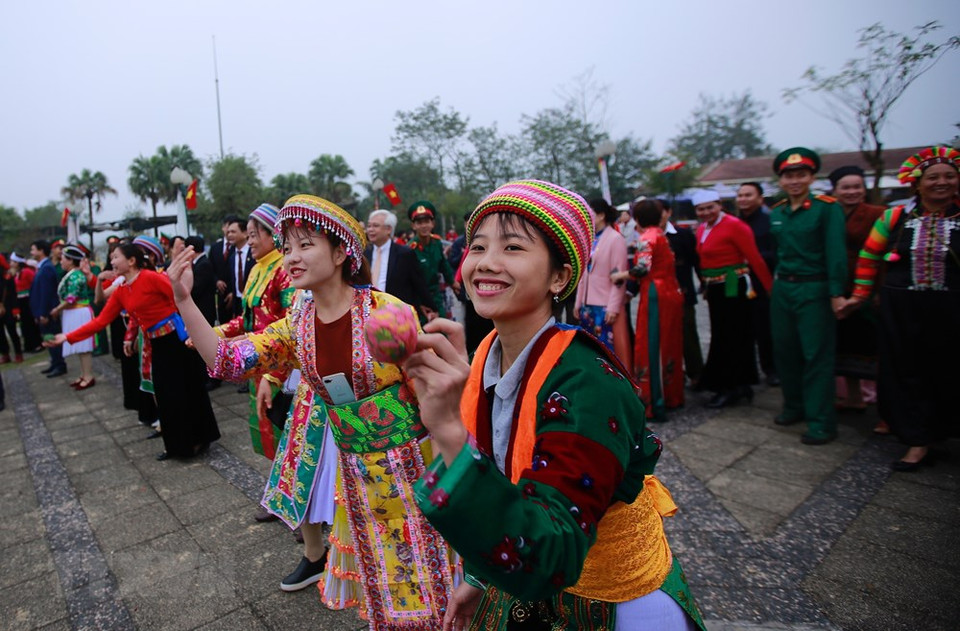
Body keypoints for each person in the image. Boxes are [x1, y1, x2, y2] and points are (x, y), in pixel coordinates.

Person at [405, 179, 704, 631]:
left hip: (616, 596)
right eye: (478, 246)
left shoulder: (587, 382)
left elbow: (552, 555)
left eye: (512, 248)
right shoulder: (487, 350)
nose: (486, 263)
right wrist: (481, 577)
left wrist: (447, 429)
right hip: (528, 581)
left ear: (560, 277)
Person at [167, 195, 456, 624]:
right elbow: (226, 361)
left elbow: (435, 388)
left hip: (415, 467)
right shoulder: (296, 325)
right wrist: (184, 300)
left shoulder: (386, 310)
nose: (291, 257)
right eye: (286, 248)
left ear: (341, 252)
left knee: (429, 579)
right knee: (381, 586)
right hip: (356, 475)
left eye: (305, 245)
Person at [840, 146, 960, 471]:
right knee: (905, 369)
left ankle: (938, 432)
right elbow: (868, 257)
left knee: (948, 369)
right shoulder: (895, 217)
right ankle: (916, 440)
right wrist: (859, 296)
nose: (941, 183)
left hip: (951, 309)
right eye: (933, 177)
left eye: (949, 176)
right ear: (917, 184)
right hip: (901, 307)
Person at [49, 243, 220, 460]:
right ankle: (176, 446)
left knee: (184, 392)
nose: (112, 262)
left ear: (131, 261)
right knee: (164, 396)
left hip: (175, 342)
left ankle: (197, 440)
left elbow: (180, 299)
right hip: (156, 345)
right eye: (111, 258)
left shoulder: (151, 278)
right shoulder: (121, 290)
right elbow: (101, 320)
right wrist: (68, 337)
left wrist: (193, 328)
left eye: (116, 257)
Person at [769, 147, 846, 445]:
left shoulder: (827, 208)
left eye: (801, 174)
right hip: (783, 288)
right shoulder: (777, 211)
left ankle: (821, 421)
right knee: (785, 352)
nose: (795, 181)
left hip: (815, 288)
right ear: (781, 180)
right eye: (789, 176)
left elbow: (835, 253)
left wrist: (837, 292)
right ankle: (794, 406)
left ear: (812, 177)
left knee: (816, 356)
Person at [214, 204, 295, 471]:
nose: (249, 242)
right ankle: (276, 490)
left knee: (286, 428)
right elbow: (247, 318)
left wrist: (276, 373)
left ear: (273, 235)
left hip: (280, 365)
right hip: (256, 362)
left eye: (253, 235)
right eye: (247, 235)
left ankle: (291, 496)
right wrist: (216, 333)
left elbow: (291, 322)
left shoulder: (284, 270)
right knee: (264, 429)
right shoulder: (257, 269)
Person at [693, 191, 773, 408]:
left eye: (710, 207)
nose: (706, 212)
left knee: (734, 336)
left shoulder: (735, 225)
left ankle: (733, 387)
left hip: (733, 286)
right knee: (721, 335)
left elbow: (755, 258)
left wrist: (769, 290)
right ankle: (734, 384)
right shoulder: (702, 228)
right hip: (715, 289)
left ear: (720, 205)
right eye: (701, 209)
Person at [612, 199, 685, 420]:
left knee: (651, 346)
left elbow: (642, 269)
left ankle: (653, 402)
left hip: (655, 294)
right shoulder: (660, 234)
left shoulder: (646, 238)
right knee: (669, 343)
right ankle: (672, 395)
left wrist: (619, 275)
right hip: (672, 291)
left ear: (637, 218)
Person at [827, 166, 885, 413]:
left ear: (864, 189)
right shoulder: (829, 213)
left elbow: (885, 254)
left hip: (869, 287)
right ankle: (853, 397)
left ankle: (886, 407)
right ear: (835, 190)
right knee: (845, 346)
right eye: (846, 187)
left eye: (856, 187)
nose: (852, 192)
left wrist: (879, 290)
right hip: (838, 287)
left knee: (876, 347)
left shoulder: (879, 213)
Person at [575, 198, 631, 371]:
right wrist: (578, 302)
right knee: (591, 352)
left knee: (609, 353)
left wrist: (613, 307)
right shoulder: (590, 239)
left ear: (600, 215)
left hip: (605, 306)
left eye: (589, 213)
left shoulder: (615, 239)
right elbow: (584, 273)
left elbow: (619, 276)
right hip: (587, 305)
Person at [737, 182, 778, 386]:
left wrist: (754, 258)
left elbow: (776, 252)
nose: (743, 199)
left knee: (765, 328)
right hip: (737, 283)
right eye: (741, 195)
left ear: (760, 198)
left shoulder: (769, 222)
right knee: (742, 328)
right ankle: (747, 371)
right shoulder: (734, 222)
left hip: (761, 282)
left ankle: (770, 368)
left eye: (748, 195)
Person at [363, 209, 434, 317]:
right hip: (370, 313)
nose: (370, 230)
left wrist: (431, 307)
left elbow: (419, 283)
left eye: (375, 226)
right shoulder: (364, 253)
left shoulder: (405, 254)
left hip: (397, 315)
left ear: (388, 229)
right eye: (369, 226)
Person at [663, 200, 703, 388]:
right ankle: (673, 375)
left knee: (688, 334)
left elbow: (695, 262)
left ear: (669, 212)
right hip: (660, 297)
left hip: (683, 292)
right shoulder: (646, 236)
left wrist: (703, 284)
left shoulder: (683, 234)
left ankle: (697, 374)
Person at [50, 244, 97, 390]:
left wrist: (57, 309)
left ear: (70, 260)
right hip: (73, 312)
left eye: (63, 258)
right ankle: (84, 374)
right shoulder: (72, 274)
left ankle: (88, 376)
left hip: (79, 311)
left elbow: (72, 298)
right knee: (79, 346)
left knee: (84, 347)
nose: (61, 261)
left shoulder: (76, 275)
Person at [408, 201, 459, 321]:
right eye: (419, 223)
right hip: (418, 300)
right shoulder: (409, 249)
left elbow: (443, 265)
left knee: (442, 330)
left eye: (427, 221)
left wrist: (453, 283)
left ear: (433, 224)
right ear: (413, 226)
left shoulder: (437, 243)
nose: (424, 226)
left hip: (436, 295)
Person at [30, 239, 67, 377]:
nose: (31, 252)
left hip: (47, 312)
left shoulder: (46, 268)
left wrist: (43, 313)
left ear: (41, 251)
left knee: (52, 337)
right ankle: (55, 362)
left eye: (33, 249)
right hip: (43, 311)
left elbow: (46, 293)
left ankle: (59, 364)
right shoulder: (43, 266)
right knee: (48, 337)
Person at [9, 253, 43, 353]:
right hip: (20, 300)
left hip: (28, 299)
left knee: (31, 322)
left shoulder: (27, 272)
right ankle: (29, 344)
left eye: (13, 262)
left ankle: (37, 344)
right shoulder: (16, 273)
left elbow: (34, 284)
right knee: (24, 323)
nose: (11, 264)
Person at [0, 253, 23, 364]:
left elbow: (13, 295)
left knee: (12, 331)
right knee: (0, 334)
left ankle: (18, 353)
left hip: (8, 307)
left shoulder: (7, 277)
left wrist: (15, 309)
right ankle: (5, 354)